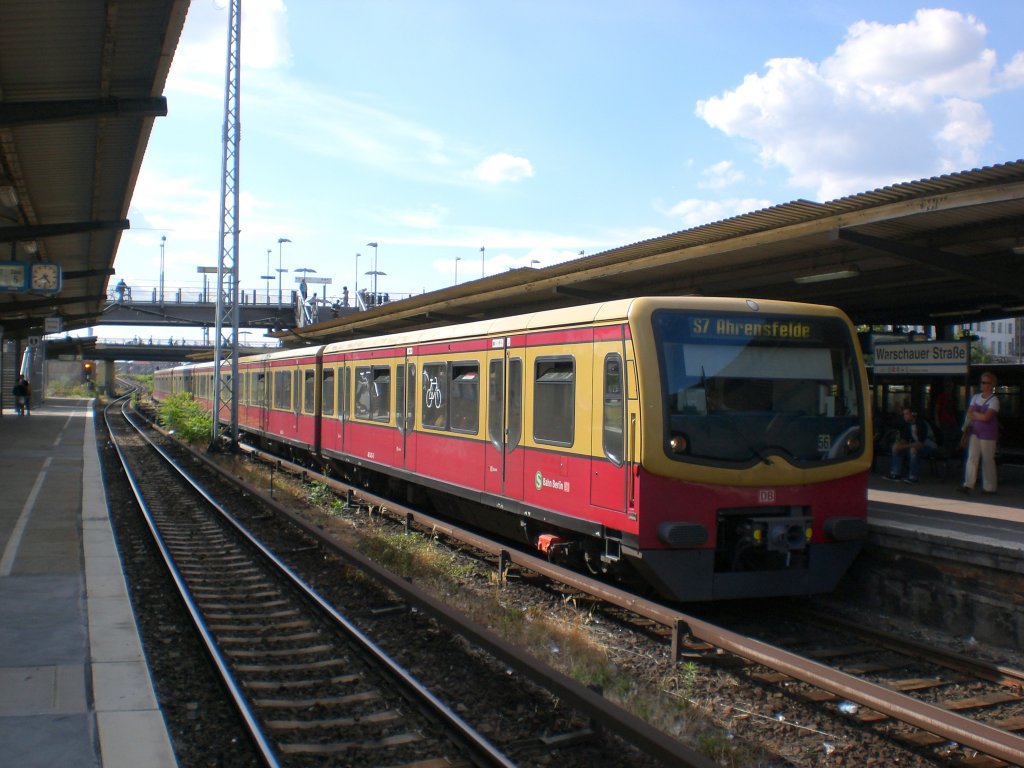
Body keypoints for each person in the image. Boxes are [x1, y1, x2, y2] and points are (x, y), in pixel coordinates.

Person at [959, 371, 1000, 495]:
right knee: (972, 457)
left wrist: (976, 414)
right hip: (975, 431)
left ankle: (990, 487)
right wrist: (978, 415)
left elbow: (987, 417)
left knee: (987, 459)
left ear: (991, 384)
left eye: (985, 382)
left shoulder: (994, 400)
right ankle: (968, 484)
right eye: (981, 382)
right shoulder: (976, 397)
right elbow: (969, 413)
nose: (982, 384)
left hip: (988, 434)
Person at [886, 407, 940, 483]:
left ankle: (913, 477)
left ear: (913, 414)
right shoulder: (907, 425)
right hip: (917, 446)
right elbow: (905, 439)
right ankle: (895, 473)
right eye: (904, 414)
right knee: (897, 448)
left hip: (930, 447)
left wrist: (903, 446)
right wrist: (898, 444)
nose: (905, 416)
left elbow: (920, 444)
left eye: (907, 414)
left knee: (913, 449)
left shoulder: (921, 424)